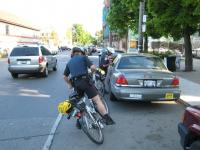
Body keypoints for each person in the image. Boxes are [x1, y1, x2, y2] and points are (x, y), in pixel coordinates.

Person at [63, 47, 115, 129]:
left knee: (79, 103)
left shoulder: (69, 63)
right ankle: (107, 119)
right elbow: (93, 68)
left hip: (76, 84)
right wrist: (93, 72)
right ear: (80, 53)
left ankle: (79, 122)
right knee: (97, 100)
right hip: (85, 82)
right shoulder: (83, 57)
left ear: (72, 54)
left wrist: (69, 84)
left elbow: (65, 77)